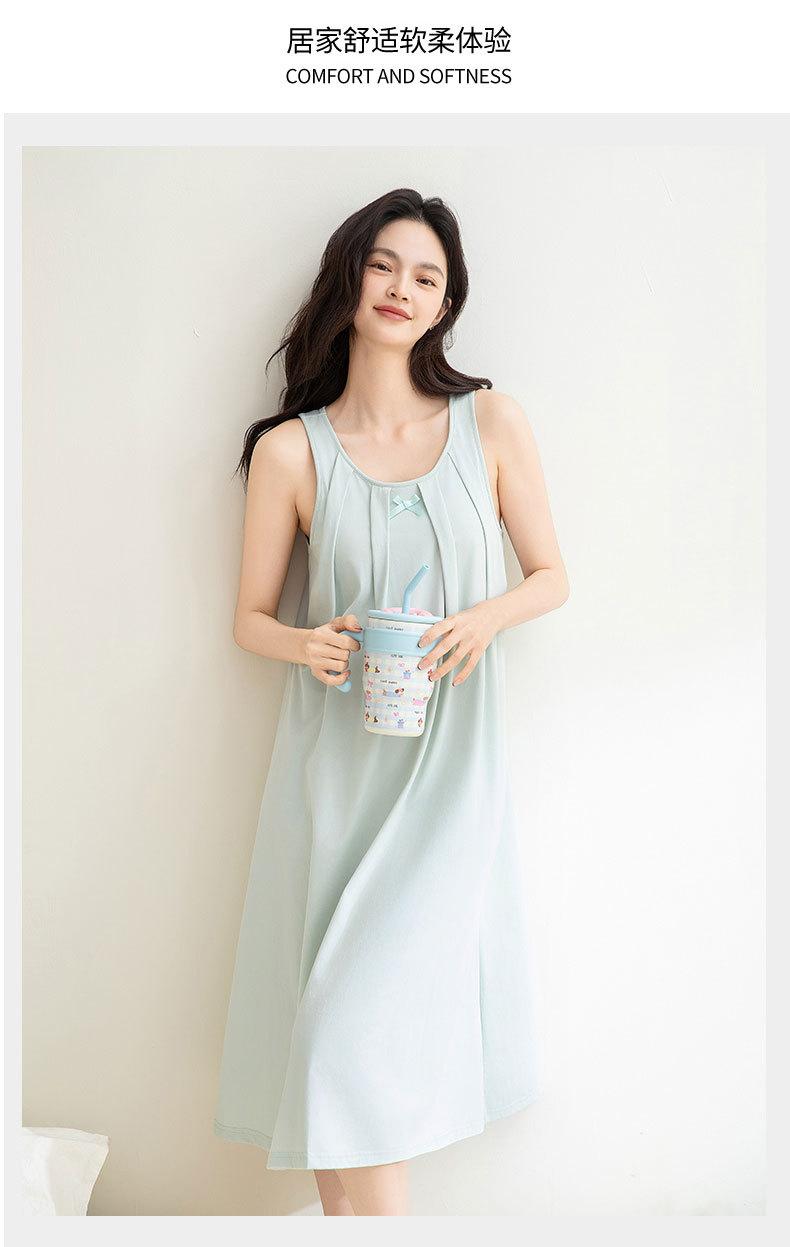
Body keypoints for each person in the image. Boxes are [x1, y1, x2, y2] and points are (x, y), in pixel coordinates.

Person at [213, 188, 570, 1216]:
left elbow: (552, 575)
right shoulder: (291, 451)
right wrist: (305, 642)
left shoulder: (490, 422)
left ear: (446, 304)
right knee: (331, 1065)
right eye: (384, 265)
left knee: (347, 1043)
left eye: (426, 276)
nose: (401, 289)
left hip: (447, 784)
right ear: (350, 276)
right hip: (334, 782)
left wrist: (486, 618)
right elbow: (248, 618)